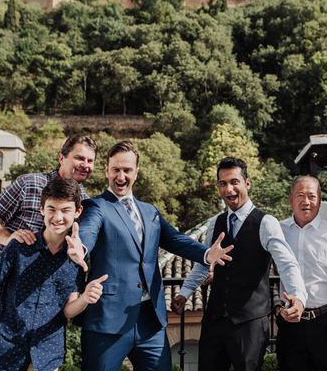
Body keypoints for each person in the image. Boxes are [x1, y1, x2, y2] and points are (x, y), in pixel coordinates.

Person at [67, 141, 233, 371]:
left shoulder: (150, 211)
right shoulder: (96, 207)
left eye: (127, 170)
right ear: (106, 170)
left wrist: (206, 254)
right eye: (116, 169)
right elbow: (87, 232)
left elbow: (175, 240)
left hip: (150, 322)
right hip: (108, 322)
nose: (121, 176)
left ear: (137, 171)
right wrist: (80, 248)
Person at [0, 177, 106, 371]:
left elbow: (68, 311)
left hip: (46, 356)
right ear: (41, 210)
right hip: (4, 351)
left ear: (77, 212)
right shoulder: (19, 246)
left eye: (65, 210)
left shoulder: (77, 258)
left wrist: (86, 298)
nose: (57, 217)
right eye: (51, 209)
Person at [0, 135, 97, 371]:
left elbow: (84, 242)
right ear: (61, 157)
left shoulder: (86, 203)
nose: (85, 164)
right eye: (79, 157)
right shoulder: (29, 183)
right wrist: (10, 238)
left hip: (45, 301)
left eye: (90, 161)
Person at [172, 157, 308, 371]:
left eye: (234, 182)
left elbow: (287, 264)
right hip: (215, 321)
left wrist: (298, 298)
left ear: (247, 183)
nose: (229, 189)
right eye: (223, 183)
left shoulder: (266, 223)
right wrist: (185, 292)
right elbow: (203, 261)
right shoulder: (214, 223)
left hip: (250, 323)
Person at [275, 175, 327, 371]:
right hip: (289, 324)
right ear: (290, 199)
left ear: (319, 199)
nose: (306, 202)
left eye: (311, 196)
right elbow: (261, 274)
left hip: (326, 323)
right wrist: (278, 307)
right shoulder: (278, 231)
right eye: (300, 195)